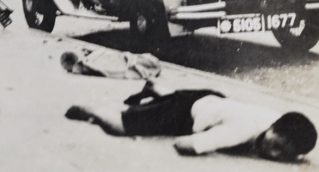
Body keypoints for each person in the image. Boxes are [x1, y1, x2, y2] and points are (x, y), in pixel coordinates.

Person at [65, 80, 317, 162]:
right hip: (186, 111)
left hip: (213, 100)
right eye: (277, 145)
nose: (273, 153)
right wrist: (218, 149)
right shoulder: (239, 132)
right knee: (122, 126)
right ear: (274, 127)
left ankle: (158, 90)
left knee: (181, 103)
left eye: (282, 154)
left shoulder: (277, 119)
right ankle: (90, 109)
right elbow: (183, 144)